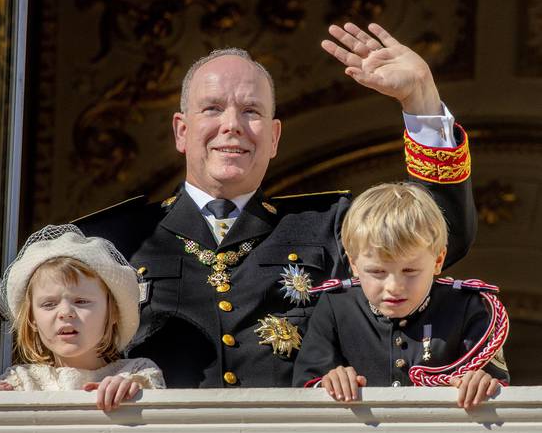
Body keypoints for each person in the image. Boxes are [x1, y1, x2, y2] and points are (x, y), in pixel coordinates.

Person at [72, 22, 477, 388]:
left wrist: (420, 98)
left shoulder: (330, 225)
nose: (231, 125)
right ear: (181, 130)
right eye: (213, 108)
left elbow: (438, 233)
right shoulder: (109, 240)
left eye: (252, 112)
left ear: (275, 137)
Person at [292, 182, 509, 409]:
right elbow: (305, 384)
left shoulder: (465, 306)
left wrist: (481, 382)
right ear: (354, 264)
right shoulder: (335, 307)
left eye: (410, 271)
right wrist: (329, 382)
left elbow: (498, 389)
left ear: (438, 260)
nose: (394, 286)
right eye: (377, 272)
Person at [0, 225, 165, 413]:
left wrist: (134, 393)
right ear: (33, 320)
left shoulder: (137, 372)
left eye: (81, 301)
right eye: (49, 304)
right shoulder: (19, 382)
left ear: (113, 313)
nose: (65, 313)